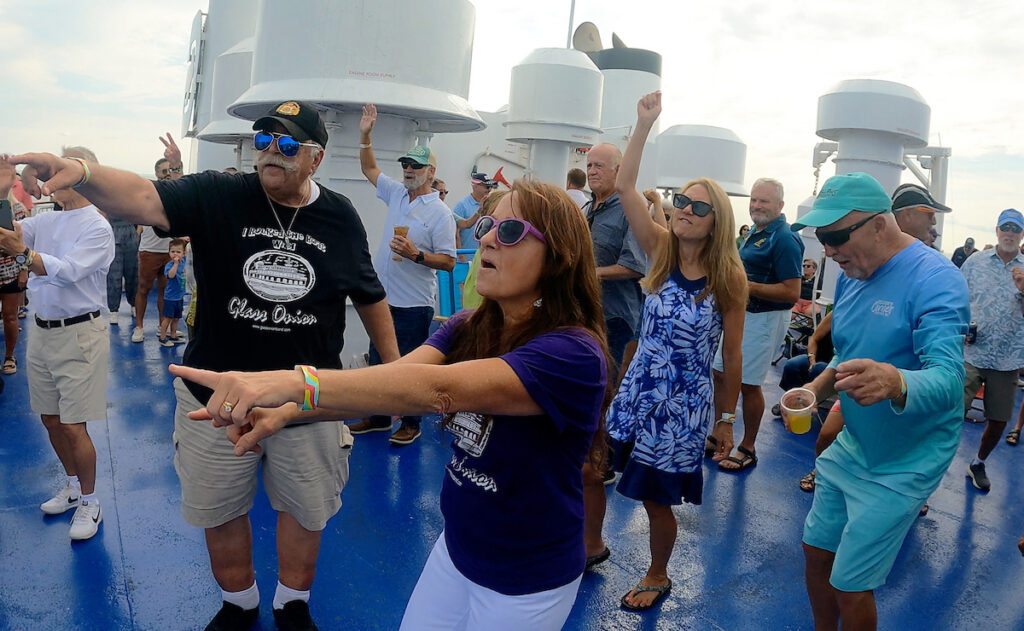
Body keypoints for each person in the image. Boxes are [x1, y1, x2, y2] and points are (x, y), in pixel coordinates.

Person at [13, 100, 400, 631]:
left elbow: (369, 294)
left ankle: (292, 603)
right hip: (213, 400)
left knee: (306, 511)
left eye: (289, 145)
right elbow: (143, 196)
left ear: (316, 158)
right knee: (219, 509)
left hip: (306, 401)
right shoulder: (220, 193)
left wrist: (394, 374)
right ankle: (239, 603)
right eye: (264, 140)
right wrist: (82, 172)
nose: (273, 152)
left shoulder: (340, 216)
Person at [169, 179, 611, 631]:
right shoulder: (470, 326)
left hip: (526, 578)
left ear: (559, 257)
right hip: (457, 550)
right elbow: (392, 382)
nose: (487, 240)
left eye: (511, 231)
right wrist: (285, 412)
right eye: (486, 226)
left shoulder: (572, 354)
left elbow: (434, 390)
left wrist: (291, 384)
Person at [790, 171, 968, 631]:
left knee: (851, 583)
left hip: (907, 458)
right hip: (856, 442)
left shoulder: (936, 279)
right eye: (821, 238)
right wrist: (816, 388)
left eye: (835, 237)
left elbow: (951, 380)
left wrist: (896, 381)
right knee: (815, 552)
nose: (827, 250)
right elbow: (846, 354)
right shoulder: (853, 274)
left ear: (879, 225)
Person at [602, 92, 746, 611]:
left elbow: (733, 357)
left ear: (716, 220)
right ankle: (589, 544)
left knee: (655, 498)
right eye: (682, 201)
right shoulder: (660, 249)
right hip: (638, 389)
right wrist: (643, 124)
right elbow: (624, 186)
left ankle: (658, 574)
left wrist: (725, 421)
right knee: (595, 465)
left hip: (681, 405)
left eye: (698, 207)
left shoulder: (729, 278)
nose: (685, 209)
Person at [0, 148, 115, 541]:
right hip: (43, 331)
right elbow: (9, 234)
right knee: (50, 419)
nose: (49, 176)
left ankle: (91, 501)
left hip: (80, 334)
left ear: (82, 175)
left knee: (73, 425)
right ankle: (73, 487)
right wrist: (3, 192)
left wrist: (23, 254)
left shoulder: (97, 227)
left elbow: (67, 272)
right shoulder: (47, 219)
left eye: (57, 170)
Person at [350, 103, 457, 446]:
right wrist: (365, 135)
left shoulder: (440, 213)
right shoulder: (397, 193)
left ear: (431, 171)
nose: (409, 170)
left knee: (411, 367)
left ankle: (411, 422)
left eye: (416, 165)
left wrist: (416, 255)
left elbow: (449, 262)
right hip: (383, 299)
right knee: (379, 361)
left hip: (413, 304)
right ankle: (379, 417)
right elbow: (369, 168)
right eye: (406, 164)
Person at [713, 177, 804, 471]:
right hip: (742, 314)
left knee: (749, 385)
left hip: (764, 319)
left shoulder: (784, 238)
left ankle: (748, 447)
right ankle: (718, 433)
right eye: (753, 200)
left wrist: (744, 285)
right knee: (720, 374)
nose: (756, 205)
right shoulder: (757, 231)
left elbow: (792, 292)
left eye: (763, 201)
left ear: (780, 205)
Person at [959, 209, 1024, 492]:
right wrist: (959, 329)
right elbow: (956, 298)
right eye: (1005, 227)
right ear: (997, 230)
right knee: (950, 414)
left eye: (1016, 228)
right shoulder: (975, 262)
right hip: (971, 354)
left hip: (1007, 360)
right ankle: (928, 471)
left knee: (999, 421)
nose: (1010, 233)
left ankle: (978, 462)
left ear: (1022, 234)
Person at [583, 142, 648, 370]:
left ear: (618, 171)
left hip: (614, 318)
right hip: (586, 313)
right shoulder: (586, 209)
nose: (592, 171)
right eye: (589, 165)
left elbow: (635, 265)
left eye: (599, 166)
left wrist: (590, 273)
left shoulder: (631, 210)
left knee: (606, 380)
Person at [131, 148, 180, 343]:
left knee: (165, 290)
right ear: (157, 173)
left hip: (169, 250)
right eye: (164, 171)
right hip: (149, 250)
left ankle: (162, 325)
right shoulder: (149, 192)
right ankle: (139, 327)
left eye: (170, 170)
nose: (167, 174)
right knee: (143, 289)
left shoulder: (177, 193)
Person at [0, 191, 28, 374]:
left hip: (10, 270)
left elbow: (26, 242)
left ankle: (10, 355)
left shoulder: (17, 208)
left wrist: (24, 269)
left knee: (10, 317)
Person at [102, 208, 140, 326]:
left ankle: (134, 305)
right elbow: (100, 211)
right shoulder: (107, 201)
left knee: (133, 273)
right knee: (114, 275)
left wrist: (137, 232)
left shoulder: (132, 200)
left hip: (131, 236)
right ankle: (113, 310)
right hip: (113, 235)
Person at [891, 183, 950, 248]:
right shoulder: (886, 250)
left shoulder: (886, 248)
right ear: (908, 215)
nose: (934, 222)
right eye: (930, 214)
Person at [452, 172, 495, 256]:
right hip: (466, 257)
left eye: (491, 186)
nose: (489, 189)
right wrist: (461, 257)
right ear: (475, 186)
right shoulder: (462, 205)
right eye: (487, 186)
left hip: (483, 257)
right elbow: (455, 234)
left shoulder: (490, 204)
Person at [158, 238, 187, 347]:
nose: (175, 254)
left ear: (183, 253)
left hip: (180, 296)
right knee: (168, 318)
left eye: (178, 252)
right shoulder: (169, 265)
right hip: (170, 298)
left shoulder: (184, 261)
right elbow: (171, 275)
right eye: (172, 251)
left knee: (176, 318)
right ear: (169, 253)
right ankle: (162, 337)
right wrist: (175, 264)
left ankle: (173, 335)